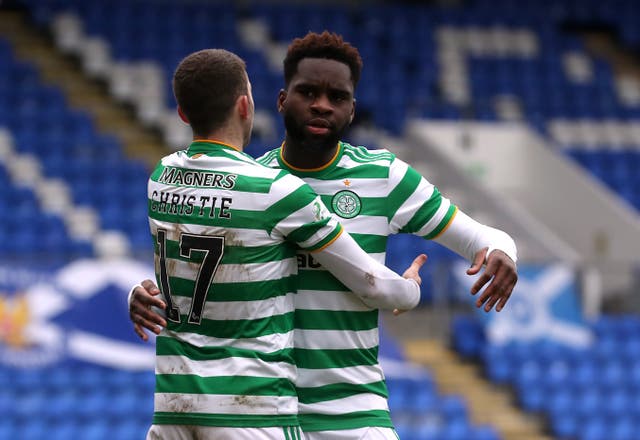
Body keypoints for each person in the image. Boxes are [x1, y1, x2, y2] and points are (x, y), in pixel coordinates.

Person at [132, 33, 518, 439]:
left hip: (352, 413)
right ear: (281, 100)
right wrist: (142, 293)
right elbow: (194, 271)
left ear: (352, 110)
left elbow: (480, 237)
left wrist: (502, 250)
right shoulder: (250, 185)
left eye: (338, 97)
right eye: (308, 92)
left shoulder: (383, 177)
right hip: (264, 412)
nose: (322, 104)